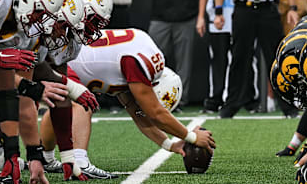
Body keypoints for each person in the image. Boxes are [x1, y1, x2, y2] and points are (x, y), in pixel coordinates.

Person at [67, 29, 216, 156]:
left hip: (70, 55)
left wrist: (170, 145)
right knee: (80, 104)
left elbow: (137, 113)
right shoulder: (138, 63)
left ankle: (48, 157)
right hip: (67, 59)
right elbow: (156, 114)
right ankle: (79, 162)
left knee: (63, 105)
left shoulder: (142, 59)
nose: (143, 108)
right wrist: (192, 137)